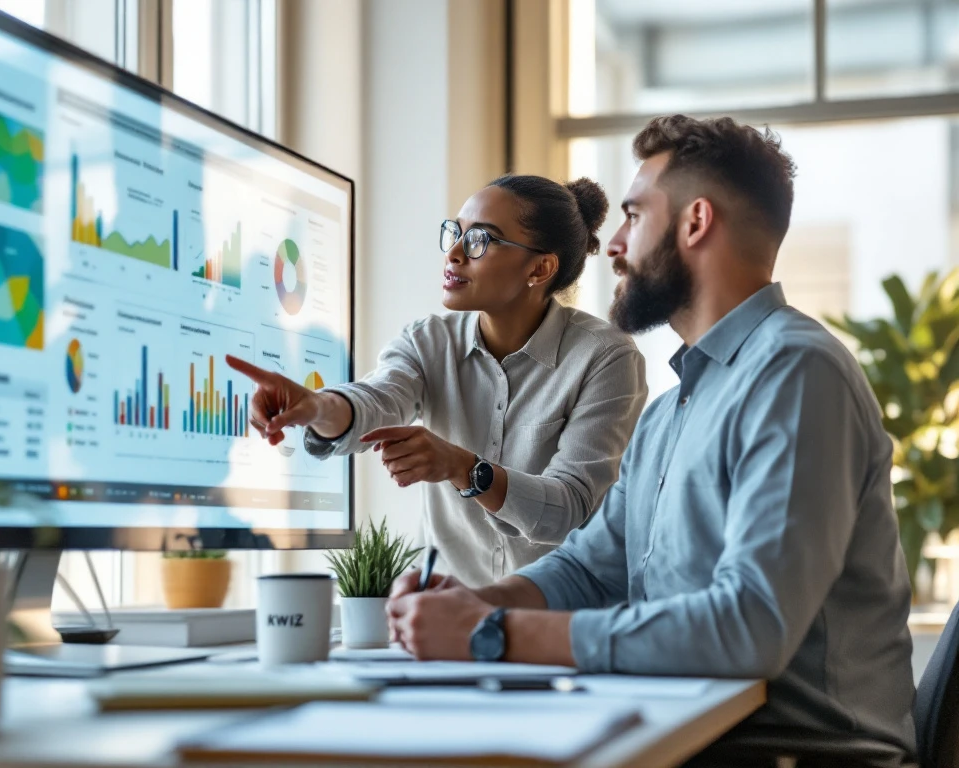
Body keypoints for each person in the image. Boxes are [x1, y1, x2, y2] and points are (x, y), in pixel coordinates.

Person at [386, 115, 917, 766]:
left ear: (695, 223)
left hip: (801, 754)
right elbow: (588, 567)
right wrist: (478, 602)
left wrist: (492, 634)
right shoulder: (672, 411)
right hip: (696, 737)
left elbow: (749, 628)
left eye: (634, 216)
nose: (612, 245)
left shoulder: (796, 372)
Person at [228, 175, 647, 586]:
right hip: (448, 621)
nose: (455, 254)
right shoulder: (427, 341)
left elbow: (566, 510)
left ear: (539, 268)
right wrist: (318, 407)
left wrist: (463, 467)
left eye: (481, 239)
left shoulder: (606, 357)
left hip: (560, 626)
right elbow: (377, 399)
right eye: (455, 233)